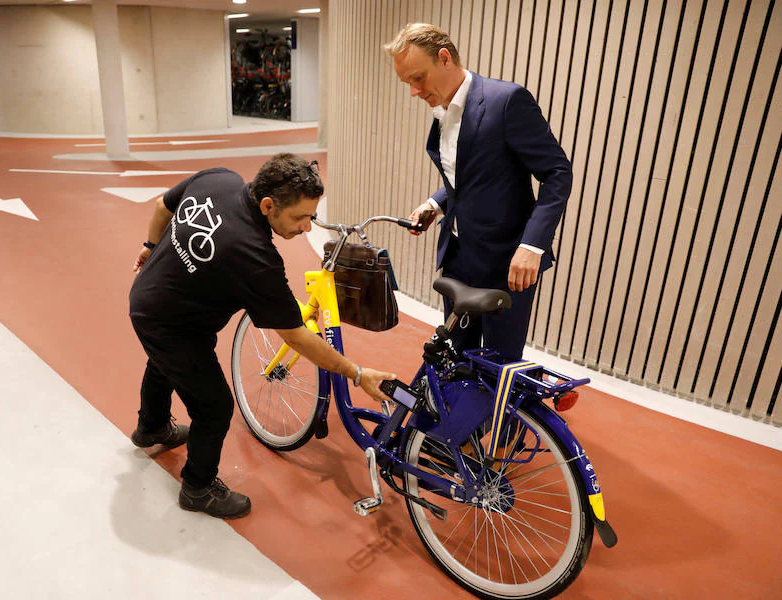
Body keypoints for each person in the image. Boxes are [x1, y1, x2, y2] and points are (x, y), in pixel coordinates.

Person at [129, 153, 396, 520]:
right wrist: (356, 372)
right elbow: (295, 335)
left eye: (311, 217)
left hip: (151, 293)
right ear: (268, 205)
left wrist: (149, 246)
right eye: (299, 218)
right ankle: (198, 487)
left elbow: (163, 205)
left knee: (164, 363)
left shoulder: (219, 179)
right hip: (170, 322)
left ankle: (150, 428)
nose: (306, 228)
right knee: (215, 406)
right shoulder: (255, 256)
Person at [384, 23, 572, 361]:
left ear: (444, 58)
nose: (414, 91)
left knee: (498, 367)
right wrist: (435, 204)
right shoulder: (442, 109)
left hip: (507, 264)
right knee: (455, 360)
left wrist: (533, 246)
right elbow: (469, 174)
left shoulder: (507, 101)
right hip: (458, 258)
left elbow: (557, 172)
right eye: (407, 83)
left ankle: (502, 417)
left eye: (418, 78)